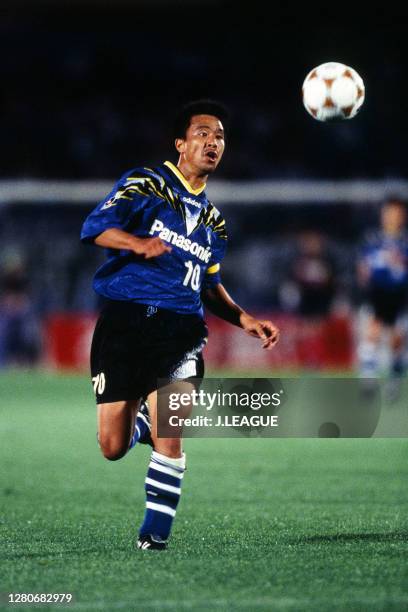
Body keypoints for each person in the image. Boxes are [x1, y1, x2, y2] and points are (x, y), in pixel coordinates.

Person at [81, 100, 280, 550]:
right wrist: (137, 243)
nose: (213, 142)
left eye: (221, 136)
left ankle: (154, 538)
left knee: (172, 433)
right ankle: (140, 426)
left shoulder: (215, 224)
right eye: (203, 133)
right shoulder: (145, 184)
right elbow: (95, 228)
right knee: (112, 446)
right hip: (124, 323)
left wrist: (244, 318)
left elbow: (210, 286)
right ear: (180, 143)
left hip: (182, 332)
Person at [357, 198, 408, 399]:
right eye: (388, 212)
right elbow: (363, 267)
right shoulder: (372, 238)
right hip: (377, 293)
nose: (392, 217)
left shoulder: (405, 241)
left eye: (396, 213)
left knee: (397, 340)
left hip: (401, 295)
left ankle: (394, 382)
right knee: (373, 333)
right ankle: (368, 380)